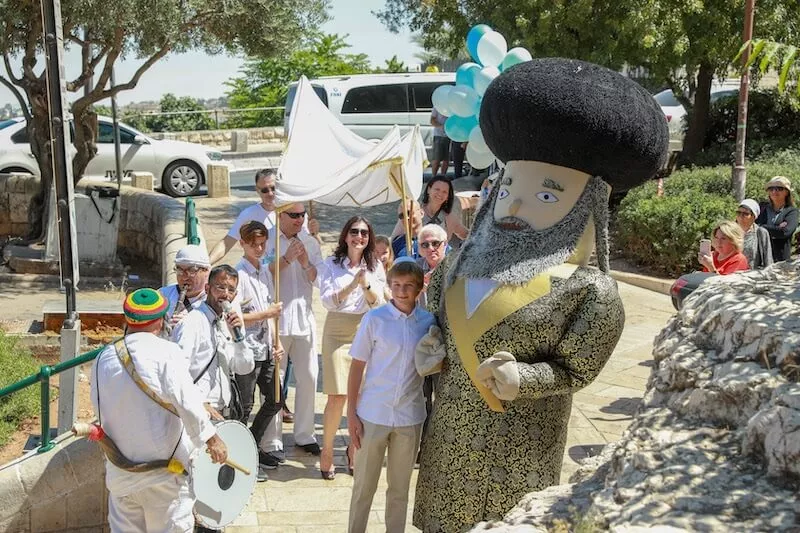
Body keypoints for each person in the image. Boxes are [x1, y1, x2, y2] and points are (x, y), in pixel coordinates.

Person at [413, 58, 669, 531]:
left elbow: (577, 368)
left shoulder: (589, 291)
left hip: (520, 448)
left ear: (589, 205)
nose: (514, 204)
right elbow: (434, 324)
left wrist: (524, 379)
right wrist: (430, 348)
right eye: (508, 186)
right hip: (448, 439)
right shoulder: (457, 262)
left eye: (547, 196)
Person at [91, 288, 227, 532]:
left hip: (122, 473)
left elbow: (99, 409)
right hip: (164, 476)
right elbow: (187, 402)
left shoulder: (103, 357)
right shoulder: (167, 352)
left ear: (127, 320)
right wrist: (212, 438)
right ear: (161, 320)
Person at [347, 259, 435, 533]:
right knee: (363, 488)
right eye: (396, 285)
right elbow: (357, 366)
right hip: (373, 414)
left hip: (409, 417)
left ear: (419, 289)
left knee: (399, 490)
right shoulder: (375, 319)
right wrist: (351, 414)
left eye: (408, 286)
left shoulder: (429, 322)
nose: (401, 291)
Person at [318, 217, 385, 480]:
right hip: (336, 331)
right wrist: (352, 284)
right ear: (345, 236)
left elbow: (378, 302)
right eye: (355, 232)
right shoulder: (331, 264)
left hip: (364, 329)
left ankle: (354, 448)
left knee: (359, 397)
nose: (359, 236)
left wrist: (366, 283)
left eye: (365, 233)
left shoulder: (375, 264)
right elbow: (327, 301)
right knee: (337, 396)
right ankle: (326, 450)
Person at [263, 202, 325, 458]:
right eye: (294, 215)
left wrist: (304, 261)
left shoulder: (310, 242)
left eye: (302, 215)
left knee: (309, 377)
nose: (299, 219)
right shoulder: (267, 241)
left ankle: (305, 433)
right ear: (280, 215)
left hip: (304, 319)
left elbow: (319, 279)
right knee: (274, 383)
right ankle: (272, 440)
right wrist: (286, 259)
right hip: (276, 320)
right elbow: (264, 274)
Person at [233, 221, 285, 477]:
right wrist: (267, 313)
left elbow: (271, 310)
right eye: (254, 244)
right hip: (247, 349)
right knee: (244, 405)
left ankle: (252, 444)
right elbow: (234, 316)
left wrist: (277, 341)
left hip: (267, 347)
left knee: (276, 399)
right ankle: (241, 456)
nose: (260, 248)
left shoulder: (264, 271)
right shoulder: (238, 275)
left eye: (263, 243)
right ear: (243, 244)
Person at [172, 265, 255, 421]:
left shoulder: (228, 323)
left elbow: (244, 368)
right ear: (207, 288)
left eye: (231, 290)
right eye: (220, 287)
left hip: (222, 412)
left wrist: (238, 339)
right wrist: (201, 403)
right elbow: (177, 370)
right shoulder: (193, 322)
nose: (225, 294)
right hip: (198, 410)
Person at [208, 168, 320, 264]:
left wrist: (315, 234)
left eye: (273, 188)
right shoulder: (249, 214)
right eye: (265, 190)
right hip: (266, 278)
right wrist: (206, 264)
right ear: (257, 190)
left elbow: (312, 245)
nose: (270, 193)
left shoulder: (296, 211)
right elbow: (226, 243)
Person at [159, 244, 211, 327]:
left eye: (191, 271)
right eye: (179, 270)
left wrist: (190, 324)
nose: (184, 277)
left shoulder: (214, 302)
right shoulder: (162, 295)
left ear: (206, 271)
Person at [756, 176, 798, 263]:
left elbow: (785, 232)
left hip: (780, 259)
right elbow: (749, 226)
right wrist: (776, 228)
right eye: (771, 189)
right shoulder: (761, 207)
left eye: (779, 188)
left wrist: (760, 227)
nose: (774, 191)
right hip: (759, 257)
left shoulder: (792, 212)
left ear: (786, 192)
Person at [416, 223, 448, 310]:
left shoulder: (454, 267)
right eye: (425, 245)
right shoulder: (415, 268)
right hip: (423, 320)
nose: (430, 248)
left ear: (445, 243)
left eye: (435, 243)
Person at [736, 199, 772, 270]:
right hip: (731, 274)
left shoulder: (761, 232)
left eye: (746, 214)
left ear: (754, 217)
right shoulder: (730, 231)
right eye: (738, 212)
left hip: (752, 275)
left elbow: (768, 259)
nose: (741, 216)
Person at [430, 108, 450, 177]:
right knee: (436, 159)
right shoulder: (437, 106)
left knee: (446, 159)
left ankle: (443, 176)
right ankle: (433, 177)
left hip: (449, 136)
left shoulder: (452, 105)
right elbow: (432, 120)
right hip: (438, 135)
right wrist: (441, 126)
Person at [374, 235, 395, 302]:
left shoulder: (395, 271)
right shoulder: (367, 271)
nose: (380, 257)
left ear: (390, 253)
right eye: (376, 252)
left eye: (384, 253)